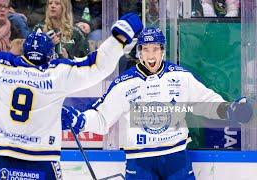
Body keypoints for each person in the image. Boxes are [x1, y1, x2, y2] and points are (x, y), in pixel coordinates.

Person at [0, 0, 143, 179]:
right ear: (50, 56)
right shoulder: (57, 73)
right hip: (41, 159)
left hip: (5, 160)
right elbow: (97, 65)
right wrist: (118, 39)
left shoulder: (4, 67)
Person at [61, 27, 252, 179]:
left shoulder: (180, 76)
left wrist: (229, 109)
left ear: (162, 51)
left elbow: (206, 102)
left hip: (176, 158)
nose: (151, 55)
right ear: (139, 53)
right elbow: (102, 118)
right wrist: (81, 121)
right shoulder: (124, 83)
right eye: (145, 49)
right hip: (140, 161)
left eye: (155, 49)